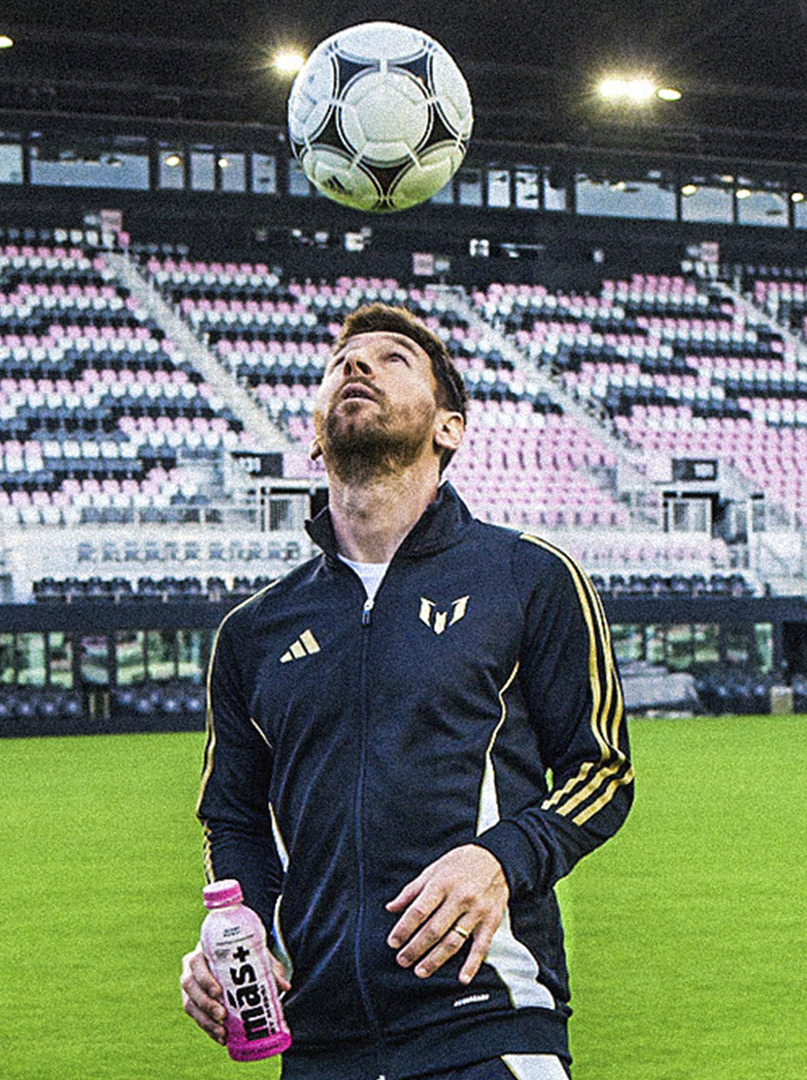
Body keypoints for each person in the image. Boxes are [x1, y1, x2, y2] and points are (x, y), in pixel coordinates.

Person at [182, 303, 632, 1080]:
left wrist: (500, 860)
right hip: (320, 1045)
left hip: (488, 1024)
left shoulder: (529, 577)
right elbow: (234, 817)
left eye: (392, 359)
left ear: (449, 427)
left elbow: (603, 773)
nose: (357, 367)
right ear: (316, 436)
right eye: (342, 363)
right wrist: (238, 925)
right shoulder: (252, 631)